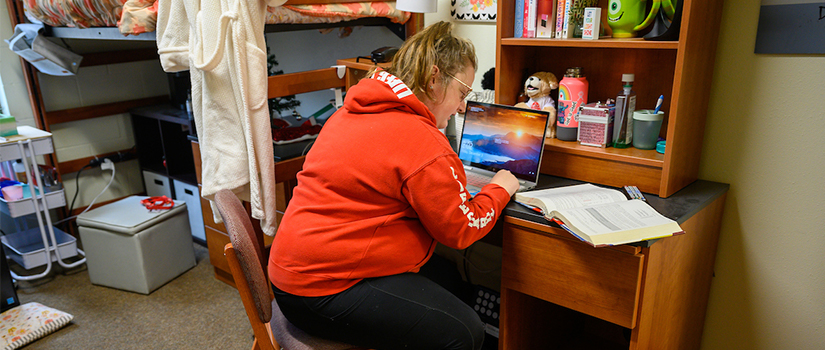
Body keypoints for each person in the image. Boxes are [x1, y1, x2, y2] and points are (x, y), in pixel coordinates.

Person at [268, 21, 520, 350]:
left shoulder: (352, 111)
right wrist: (500, 187)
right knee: (465, 332)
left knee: (444, 275)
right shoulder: (420, 139)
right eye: (462, 93)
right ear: (434, 79)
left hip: (292, 272)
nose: (462, 106)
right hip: (319, 291)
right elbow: (460, 229)